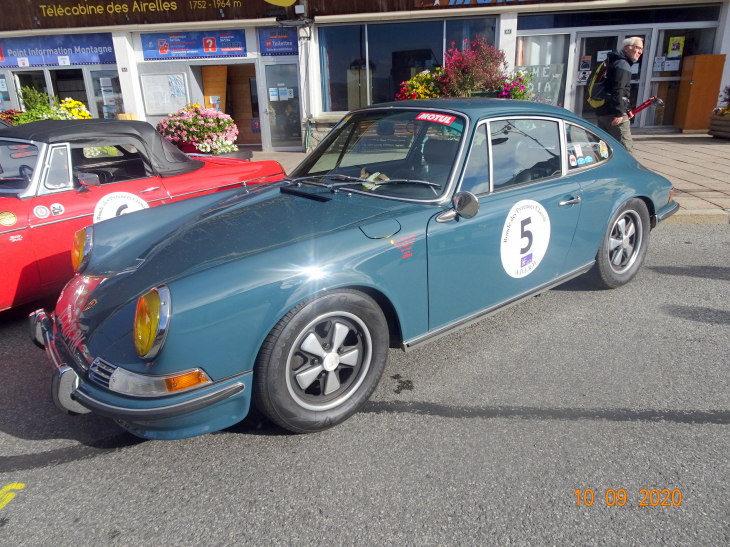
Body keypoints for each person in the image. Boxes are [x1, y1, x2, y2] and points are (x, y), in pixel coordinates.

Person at [596, 37, 643, 155]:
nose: (640, 52)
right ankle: (627, 173)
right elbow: (618, 90)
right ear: (626, 48)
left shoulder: (614, 61)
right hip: (614, 113)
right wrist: (619, 112)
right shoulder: (622, 64)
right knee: (625, 150)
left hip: (604, 110)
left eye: (641, 49)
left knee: (605, 149)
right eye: (637, 48)